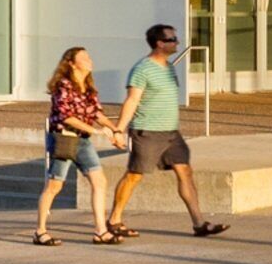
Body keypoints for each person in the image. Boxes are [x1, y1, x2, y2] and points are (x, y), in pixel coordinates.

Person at [109, 22, 227, 239]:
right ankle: (114, 219)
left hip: (171, 133)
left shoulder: (170, 67)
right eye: (172, 39)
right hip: (147, 131)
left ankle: (199, 223)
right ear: (159, 43)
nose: (177, 42)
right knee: (135, 175)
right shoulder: (142, 69)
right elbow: (132, 100)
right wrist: (118, 130)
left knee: (185, 172)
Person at [31, 46, 121, 245]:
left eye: (89, 56)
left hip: (83, 141)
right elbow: (66, 116)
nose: (89, 60)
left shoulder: (88, 86)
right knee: (54, 186)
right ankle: (40, 231)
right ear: (71, 63)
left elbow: (96, 113)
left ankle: (101, 231)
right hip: (64, 138)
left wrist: (115, 130)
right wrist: (96, 131)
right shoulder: (63, 85)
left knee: (99, 181)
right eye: (84, 57)